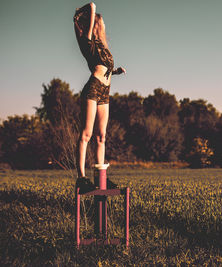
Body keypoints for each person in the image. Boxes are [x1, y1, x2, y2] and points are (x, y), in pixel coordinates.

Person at [73, 2, 125, 191]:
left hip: (105, 92)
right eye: (99, 23)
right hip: (93, 89)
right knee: (86, 134)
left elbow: (105, 67)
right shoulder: (87, 42)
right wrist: (89, 9)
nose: (102, 25)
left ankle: (100, 178)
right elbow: (91, 9)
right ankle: (81, 178)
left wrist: (116, 72)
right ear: (93, 24)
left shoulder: (103, 46)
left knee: (101, 136)